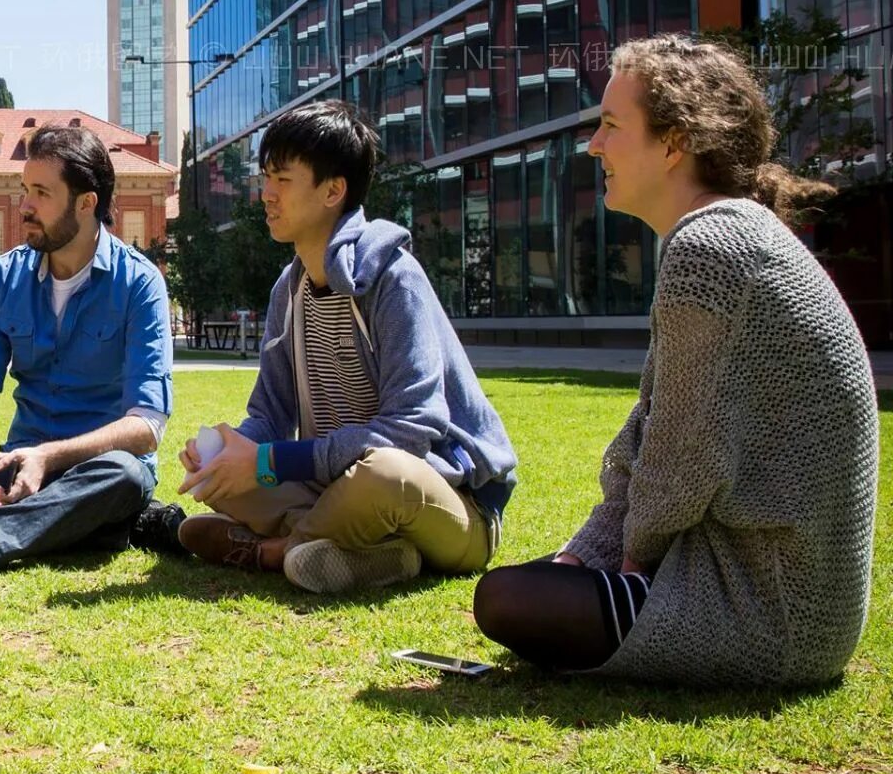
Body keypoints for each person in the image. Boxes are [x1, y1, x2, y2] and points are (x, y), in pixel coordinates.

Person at [475, 36, 879, 685]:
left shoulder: (711, 248)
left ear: (673, 144)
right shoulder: (724, 235)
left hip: (768, 614)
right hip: (787, 605)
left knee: (506, 600)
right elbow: (650, 440)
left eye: (610, 125)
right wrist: (585, 556)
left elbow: (681, 459)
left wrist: (633, 558)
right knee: (541, 585)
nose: (593, 146)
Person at [175, 100, 517, 594]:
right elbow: (269, 415)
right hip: (336, 489)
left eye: (283, 179)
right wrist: (229, 454)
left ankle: (274, 551)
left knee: (385, 473)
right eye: (266, 177)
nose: (265, 194)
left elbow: (411, 431)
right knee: (227, 481)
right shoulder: (288, 291)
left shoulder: (394, 280)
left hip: (450, 502)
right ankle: (369, 553)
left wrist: (270, 463)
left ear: (333, 190)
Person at [0, 124, 182, 581]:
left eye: (41, 193)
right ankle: (116, 524)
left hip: (99, 467)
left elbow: (146, 427)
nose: (24, 206)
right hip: (21, 463)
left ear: (86, 203)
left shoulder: (139, 282)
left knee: (123, 477)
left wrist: (49, 457)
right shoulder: (4, 278)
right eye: (25, 190)